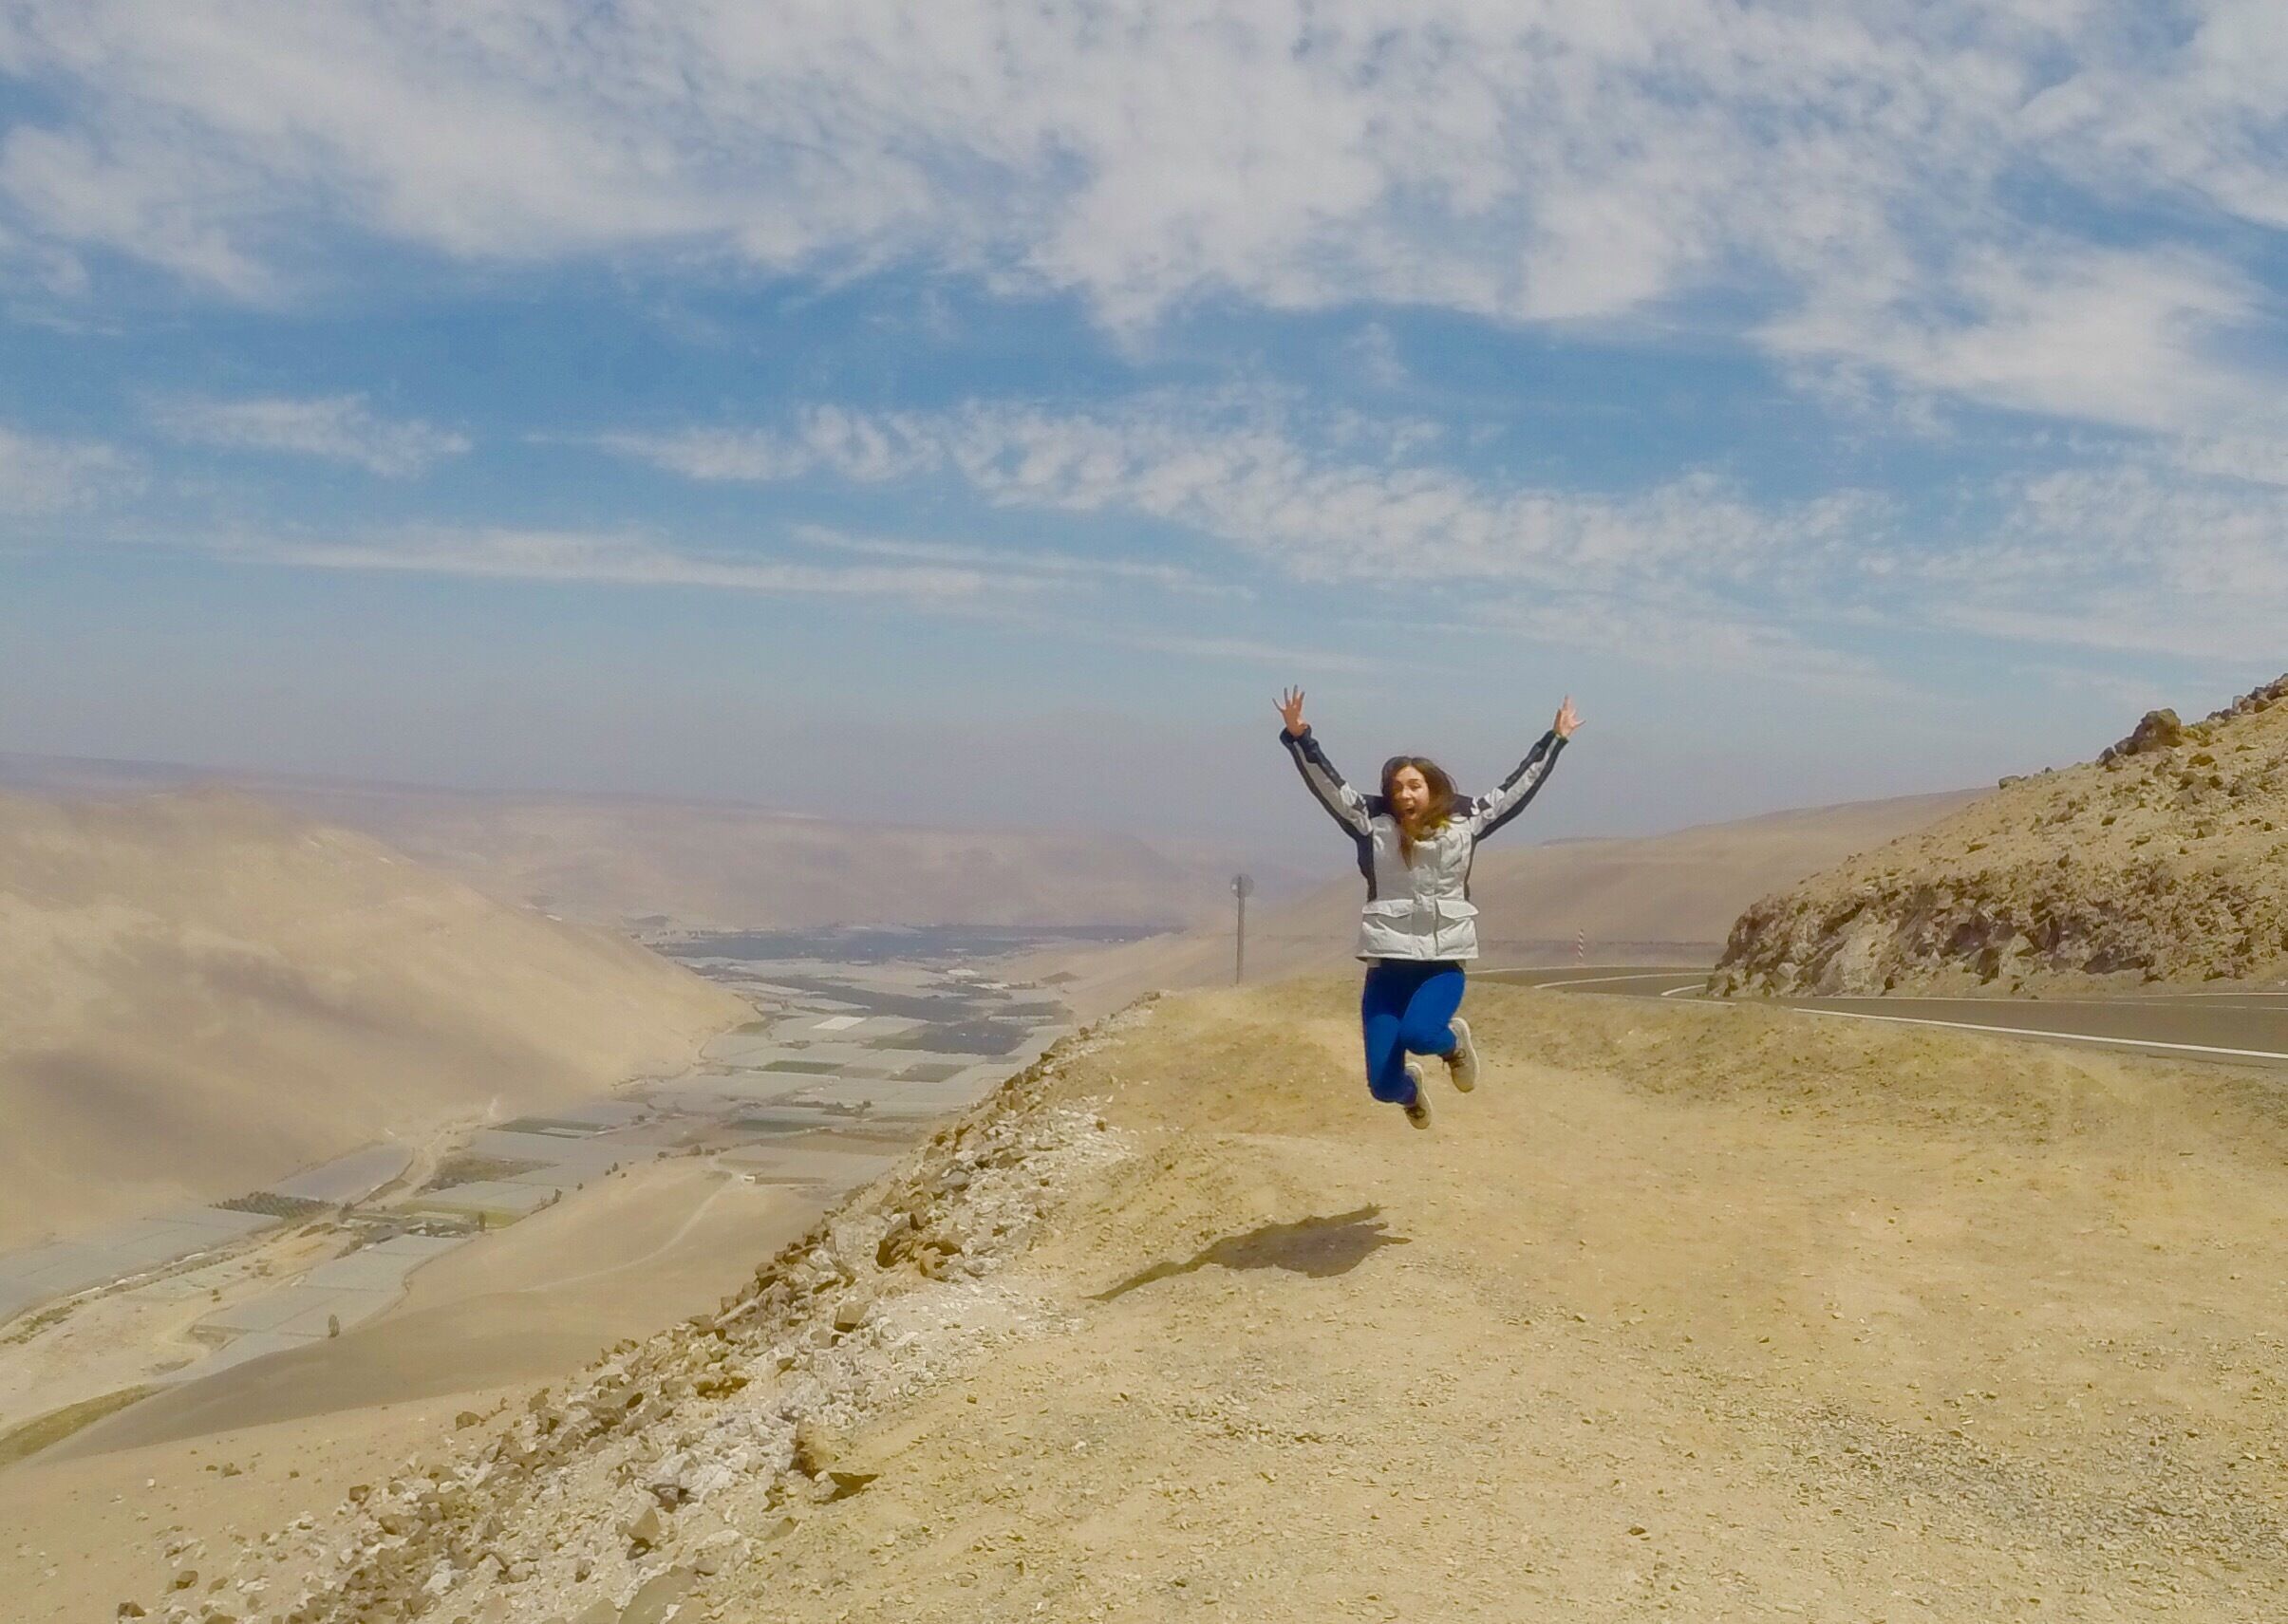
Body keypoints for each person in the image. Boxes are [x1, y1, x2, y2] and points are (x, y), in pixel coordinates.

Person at [1275, 685, 1581, 1129]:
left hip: (1440, 964)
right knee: (1381, 1086)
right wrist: (1300, 737)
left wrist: (1555, 739)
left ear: (1432, 788)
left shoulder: (1467, 822)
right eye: (1396, 787)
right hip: (1387, 968)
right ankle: (1411, 1091)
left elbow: (1517, 787)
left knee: (1421, 1034)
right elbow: (1330, 786)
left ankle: (1453, 1046)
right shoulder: (1371, 825)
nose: (1404, 794)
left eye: (1414, 785)